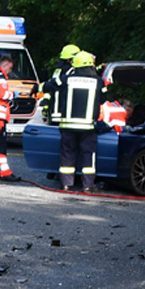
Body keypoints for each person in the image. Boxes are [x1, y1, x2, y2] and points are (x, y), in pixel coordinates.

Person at [57, 51, 104, 191]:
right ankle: (88, 186)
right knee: (88, 155)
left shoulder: (67, 79)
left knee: (67, 154)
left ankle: (66, 184)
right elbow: (104, 99)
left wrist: (37, 88)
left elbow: (51, 86)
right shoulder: (98, 81)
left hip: (68, 126)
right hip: (87, 128)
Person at [38, 43, 80, 124]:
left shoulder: (58, 71)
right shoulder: (71, 72)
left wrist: (46, 102)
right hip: (64, 112)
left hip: (54, 112)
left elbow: (51, 87)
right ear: (70, 60)